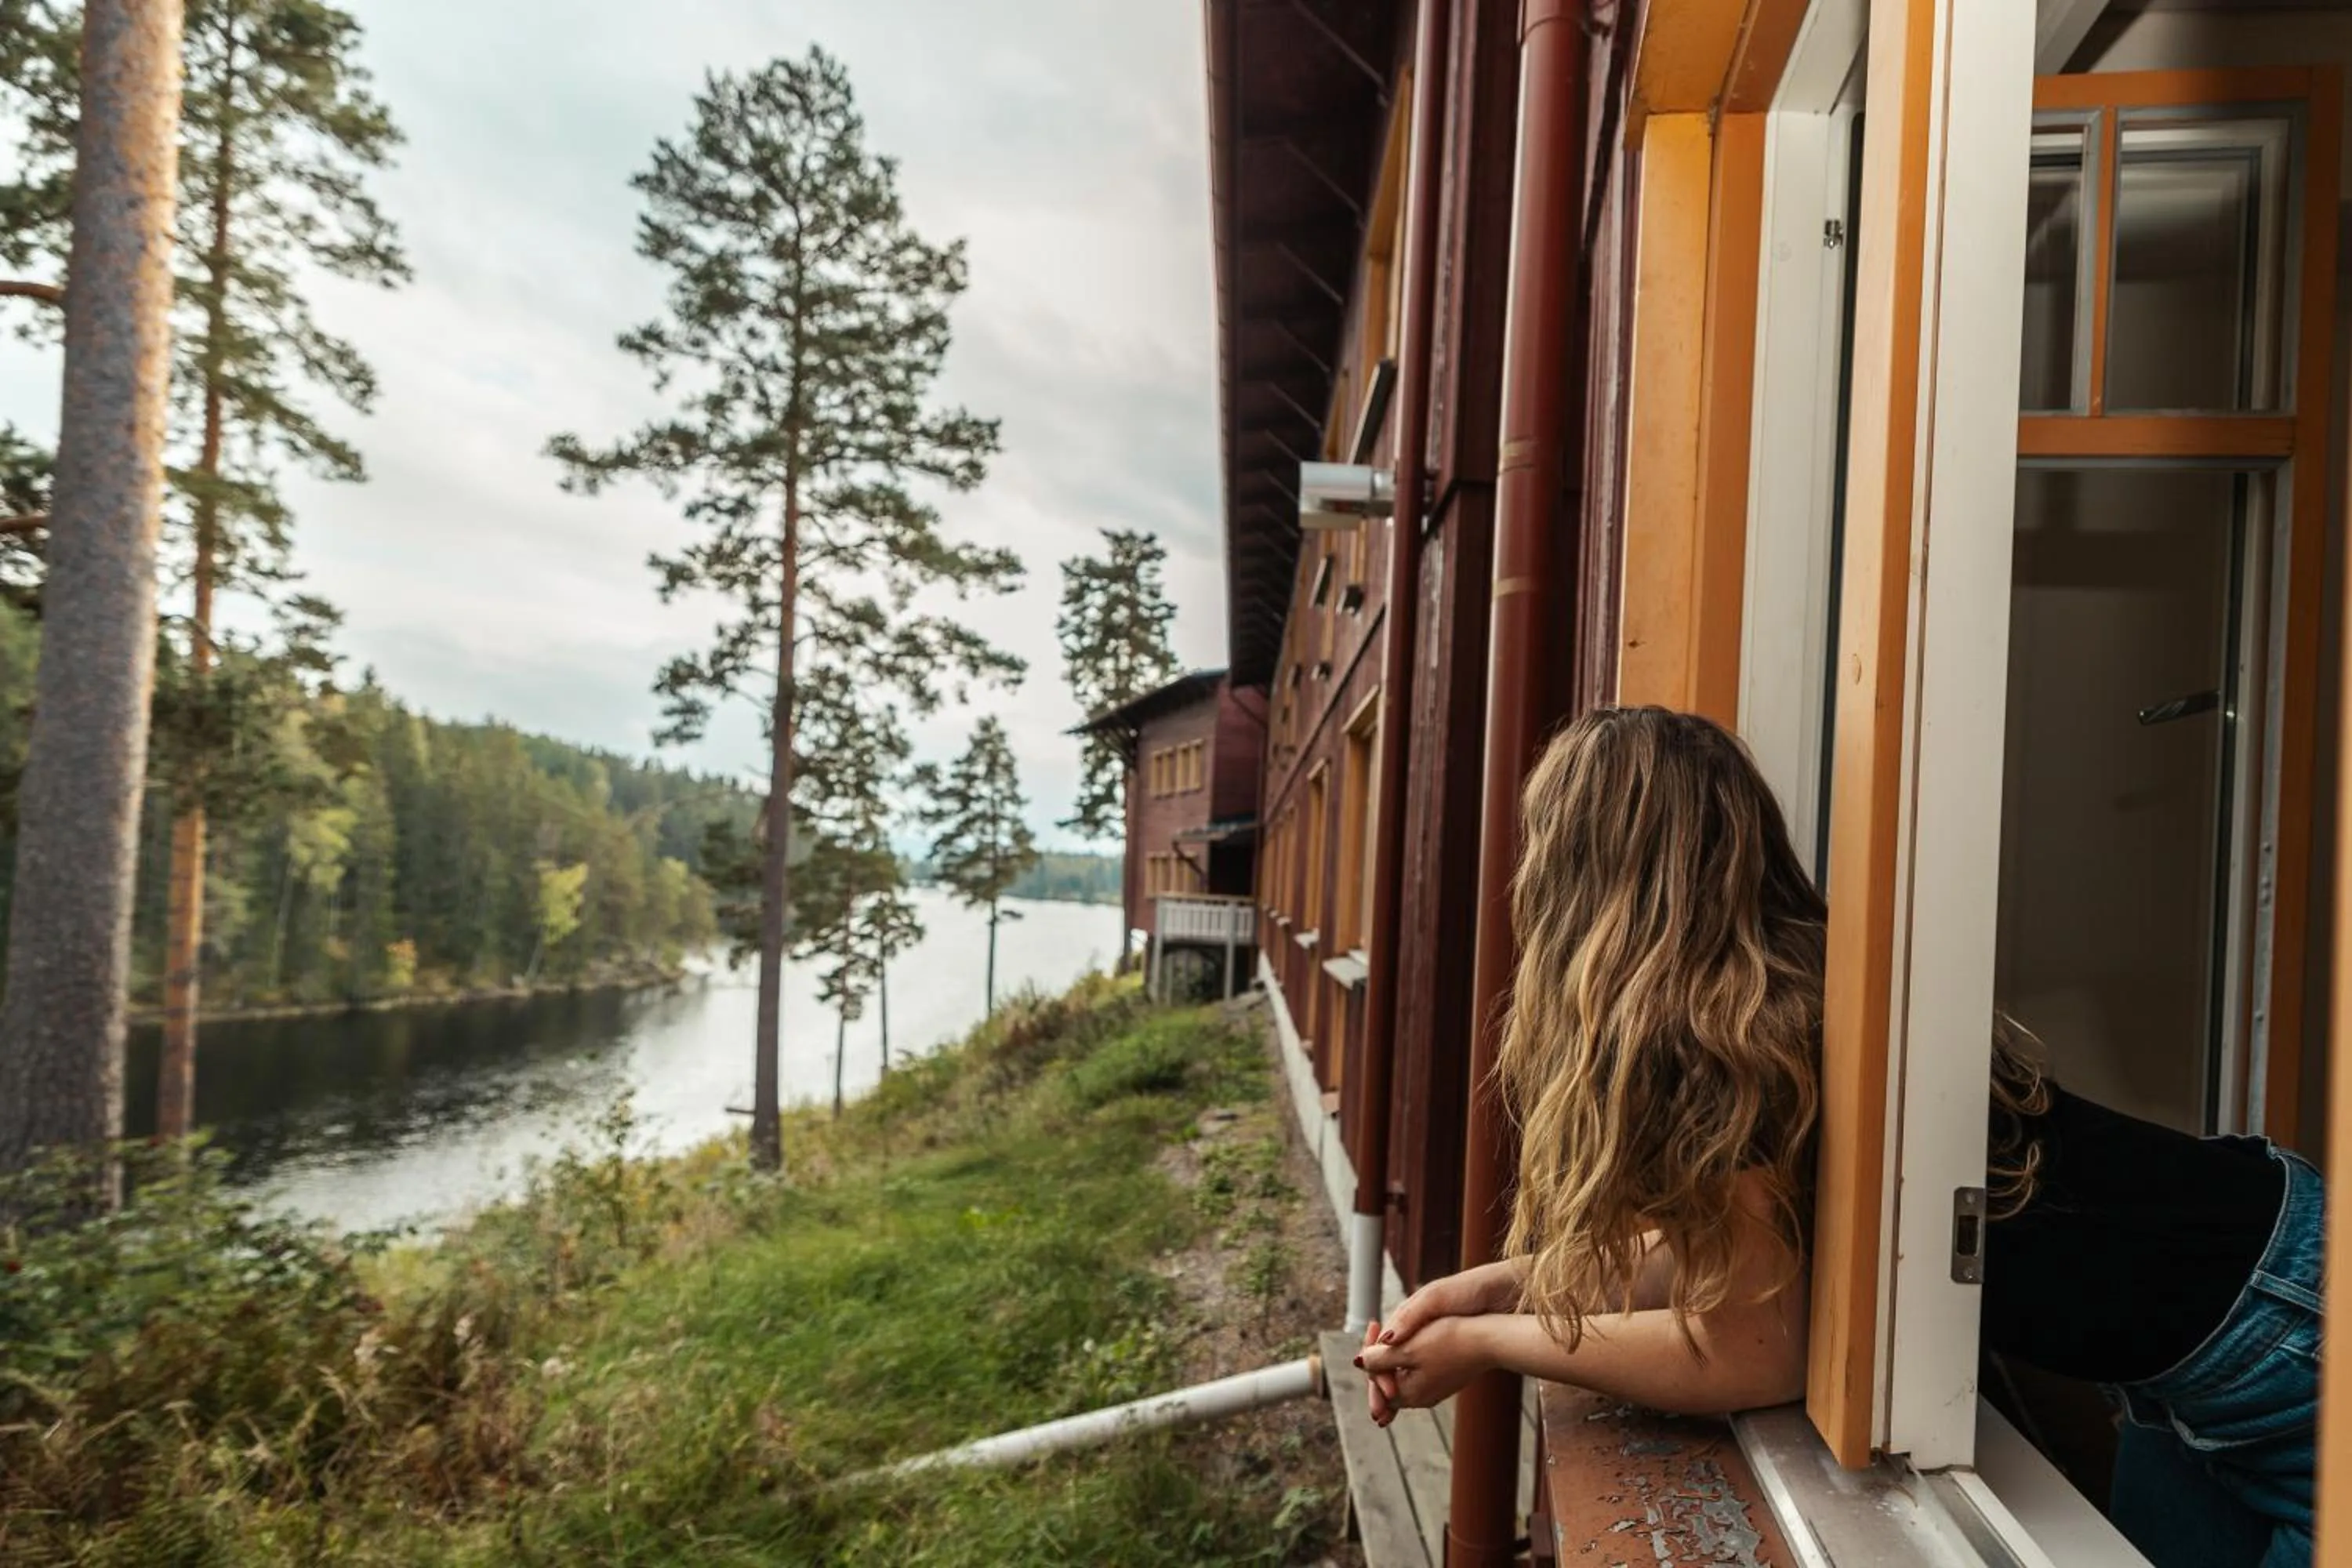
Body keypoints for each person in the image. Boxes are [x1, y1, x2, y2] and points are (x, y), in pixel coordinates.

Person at [1356, 706, 2323, 1568]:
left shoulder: (1743, 1036)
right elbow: (1732, 1261)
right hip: (2213, 1342)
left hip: (2292, 1332)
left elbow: (1748, 1349)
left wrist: (1490, 1341)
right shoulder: (1776, 1001)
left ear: (1582, 872)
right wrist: (1496, 1285)